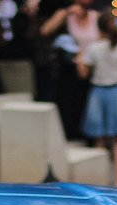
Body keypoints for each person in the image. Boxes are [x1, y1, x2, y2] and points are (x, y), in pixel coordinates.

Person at [78, 13, 117, 187]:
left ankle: (100, 180)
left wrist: (79, 59)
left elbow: (84, 73)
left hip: (98, 93)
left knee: (100, 138)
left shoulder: (93, 48)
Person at [40, 1, 100, 139]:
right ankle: (71, 136)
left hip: (92, 68)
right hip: (70, 69)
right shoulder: (66, 15)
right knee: (71, 105)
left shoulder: (96, 16)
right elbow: (45, 30)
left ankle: (90, 138)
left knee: (89, 105)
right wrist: (67, 12)